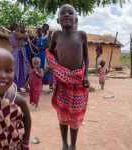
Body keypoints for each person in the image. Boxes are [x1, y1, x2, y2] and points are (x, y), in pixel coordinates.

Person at [44, 4, 89, 150]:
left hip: (78, 81)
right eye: (63, 13)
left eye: (70, 13)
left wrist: (86, 75)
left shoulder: (82, 35)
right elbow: (48, 53)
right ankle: (64, 143)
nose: (67, 15)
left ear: (76, 18)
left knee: (75, 117)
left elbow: (86, 57)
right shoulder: (56, 35)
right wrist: (47, 66)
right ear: (58, 20)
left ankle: (73, 145)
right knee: (62, 116)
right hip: (61, 82)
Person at [0, 47, 31, 150]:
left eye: (8, 70)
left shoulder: (17, 100)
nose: (3, 75)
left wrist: (26, 142)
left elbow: (27, 119)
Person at [9, 23, 31, 93]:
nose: (19, 28)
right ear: (16, 27)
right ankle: (18, 89)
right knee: (19, 70)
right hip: (18, 54)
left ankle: (21, 87)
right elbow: (25, 36)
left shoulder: (12, 35)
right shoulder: (15, 33)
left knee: (19, 70)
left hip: (16, 53)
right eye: (18, 27)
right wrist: (26, 32)